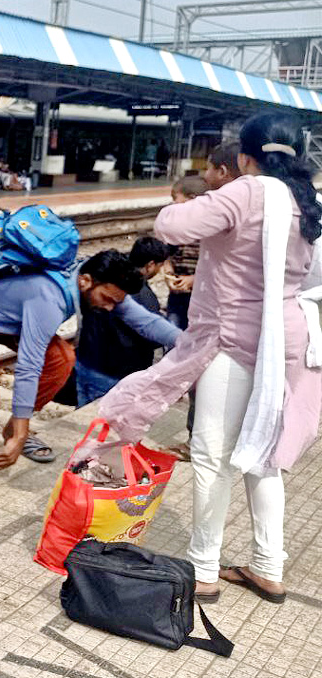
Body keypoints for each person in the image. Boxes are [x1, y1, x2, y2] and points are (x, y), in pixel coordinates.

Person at [98, 113, 322, 606]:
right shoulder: (308, 200)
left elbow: (170, 224)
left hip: (236, 341)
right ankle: (268, 568)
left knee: (212, 456)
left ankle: (203, 570)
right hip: (288, 337)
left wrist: (212, 194)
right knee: (264, 456)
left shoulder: (248, 191)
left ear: (246, 156)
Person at [0, 250, 179, 471]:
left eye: (115, 302)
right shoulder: (50, 298)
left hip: (14, 321)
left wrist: (191, 344)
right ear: (85, 281)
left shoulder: (101, 284)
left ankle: (11, 431)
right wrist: (22, 433)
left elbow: (145, 321)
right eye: (106, 299)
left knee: (63, 359)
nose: (110, 307)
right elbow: (29, 366)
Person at [73, 238, 175, 406]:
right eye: (159, 265)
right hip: (117, 374)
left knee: (87, 421)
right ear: (150, 265)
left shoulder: (106, 279)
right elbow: (150, 330)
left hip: (87, 363)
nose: (110, 306)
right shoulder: (139, 293)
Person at [166, 175, 209, 329]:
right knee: (173, 332)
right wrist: (169, 274)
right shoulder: (176, 224)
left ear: (192, 199)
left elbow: (217, 265)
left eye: (175, 197)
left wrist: (193, 279)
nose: (172, 202)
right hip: (177, 294)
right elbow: (167, 255)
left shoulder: (210, 229)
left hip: (201, 295)